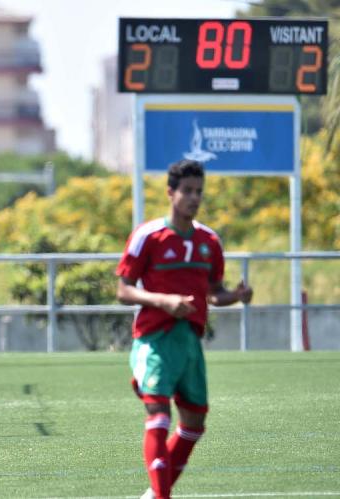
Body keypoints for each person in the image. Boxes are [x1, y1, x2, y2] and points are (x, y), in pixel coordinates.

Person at [115, 160, 253, 499]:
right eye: (187, 191)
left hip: (190, 342)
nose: (194, 198)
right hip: (155, 339)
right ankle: (162, 496)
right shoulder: (148, 236)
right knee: (158, 413)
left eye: (199, 192)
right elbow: (123, 289)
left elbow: (214, 292)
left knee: (193, 425)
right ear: (171, 193)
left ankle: (154, 494)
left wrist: (235, 296)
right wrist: (164, 301)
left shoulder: (210, 241)